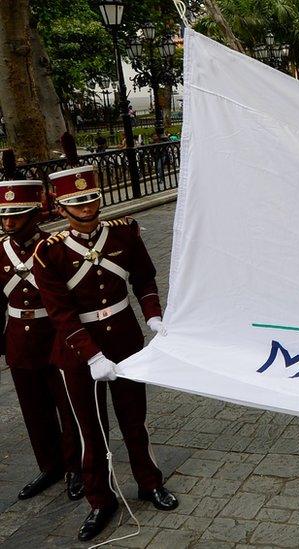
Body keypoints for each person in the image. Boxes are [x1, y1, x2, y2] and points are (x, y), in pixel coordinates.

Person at [32, 165, 178, 542]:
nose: (87, 209)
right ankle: (100, 500)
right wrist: (92, 356)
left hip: (126, 340)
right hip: (78, 353)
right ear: (62, 209)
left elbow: (144, 277)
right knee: (90, 431)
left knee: (135, 421)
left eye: (91, 199)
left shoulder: (125, 232)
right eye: (77, 204)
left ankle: (149, 482)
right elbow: (60, 314)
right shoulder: (48, 253)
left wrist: (154, 317)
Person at [0, 179, 83, 502]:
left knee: (69, 405)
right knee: (34, 409)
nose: (9, 222)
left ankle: (76, 466)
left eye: (17, 215)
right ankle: (50, 466)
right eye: (4, 216)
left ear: (36, 214)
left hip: (56, 336)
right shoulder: (1, 251)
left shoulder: (57, 247)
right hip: (19, 340)